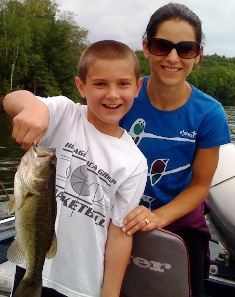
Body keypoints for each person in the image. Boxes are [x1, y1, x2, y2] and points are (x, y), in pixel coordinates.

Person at [3, 40, 148, 297]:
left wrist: (111, 293)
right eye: (100, 83)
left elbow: (119, 234)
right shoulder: (63, 114)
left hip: (81, 284)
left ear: (137, 88)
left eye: (123, 84)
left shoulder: (134, 161)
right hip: (32, 264)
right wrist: (34, 107)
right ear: (81, 87)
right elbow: (12, 100)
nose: (112, 94)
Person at [120, 3, 231, 297]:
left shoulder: (209, 113)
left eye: (185, 48)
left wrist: (158, 218)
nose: (172, 58)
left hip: (180, 225)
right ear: (146, 47)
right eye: (161, 45)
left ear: (197, 54)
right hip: (118, 219)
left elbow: (199, 186)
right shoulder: (122, 96)